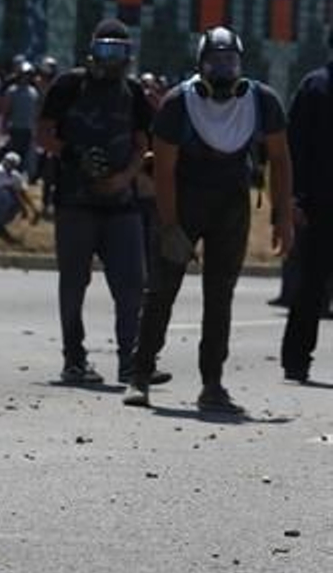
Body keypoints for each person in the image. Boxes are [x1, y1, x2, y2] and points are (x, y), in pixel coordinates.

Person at [123, 28, 294, 412]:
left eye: (229, 61)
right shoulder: (177, 104)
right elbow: (164, 171)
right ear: (200, 65)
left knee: (220, 297)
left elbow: (281, 159)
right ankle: (139, 374)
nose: (222, 69)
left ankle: (212, 384)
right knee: (161, 293)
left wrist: (284, 216)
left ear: (241, 65)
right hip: (184, 201)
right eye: (214, 62)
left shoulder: (262, 101)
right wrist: (169, 226)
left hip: (231, 205)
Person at [37, 20, 157, 385]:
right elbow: (44, 134)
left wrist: (125, 177)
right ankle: (74, 358)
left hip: (121, 203)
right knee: (74, 282)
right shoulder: (68, 86)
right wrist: (74, 156)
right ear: (92, 50)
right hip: (75, 201)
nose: (111, 59)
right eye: (105, 50)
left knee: (132, 283)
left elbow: (142, 144)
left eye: (118, 51)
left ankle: (130, 361)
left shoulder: (134, 92)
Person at [280, 29, 333, 382]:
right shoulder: (315, 87)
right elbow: (291, 149)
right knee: (310, 286)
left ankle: (296, 359)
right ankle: (296, 359)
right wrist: (292, 199)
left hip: (316, 204)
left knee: (310, 285)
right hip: (318, 206)